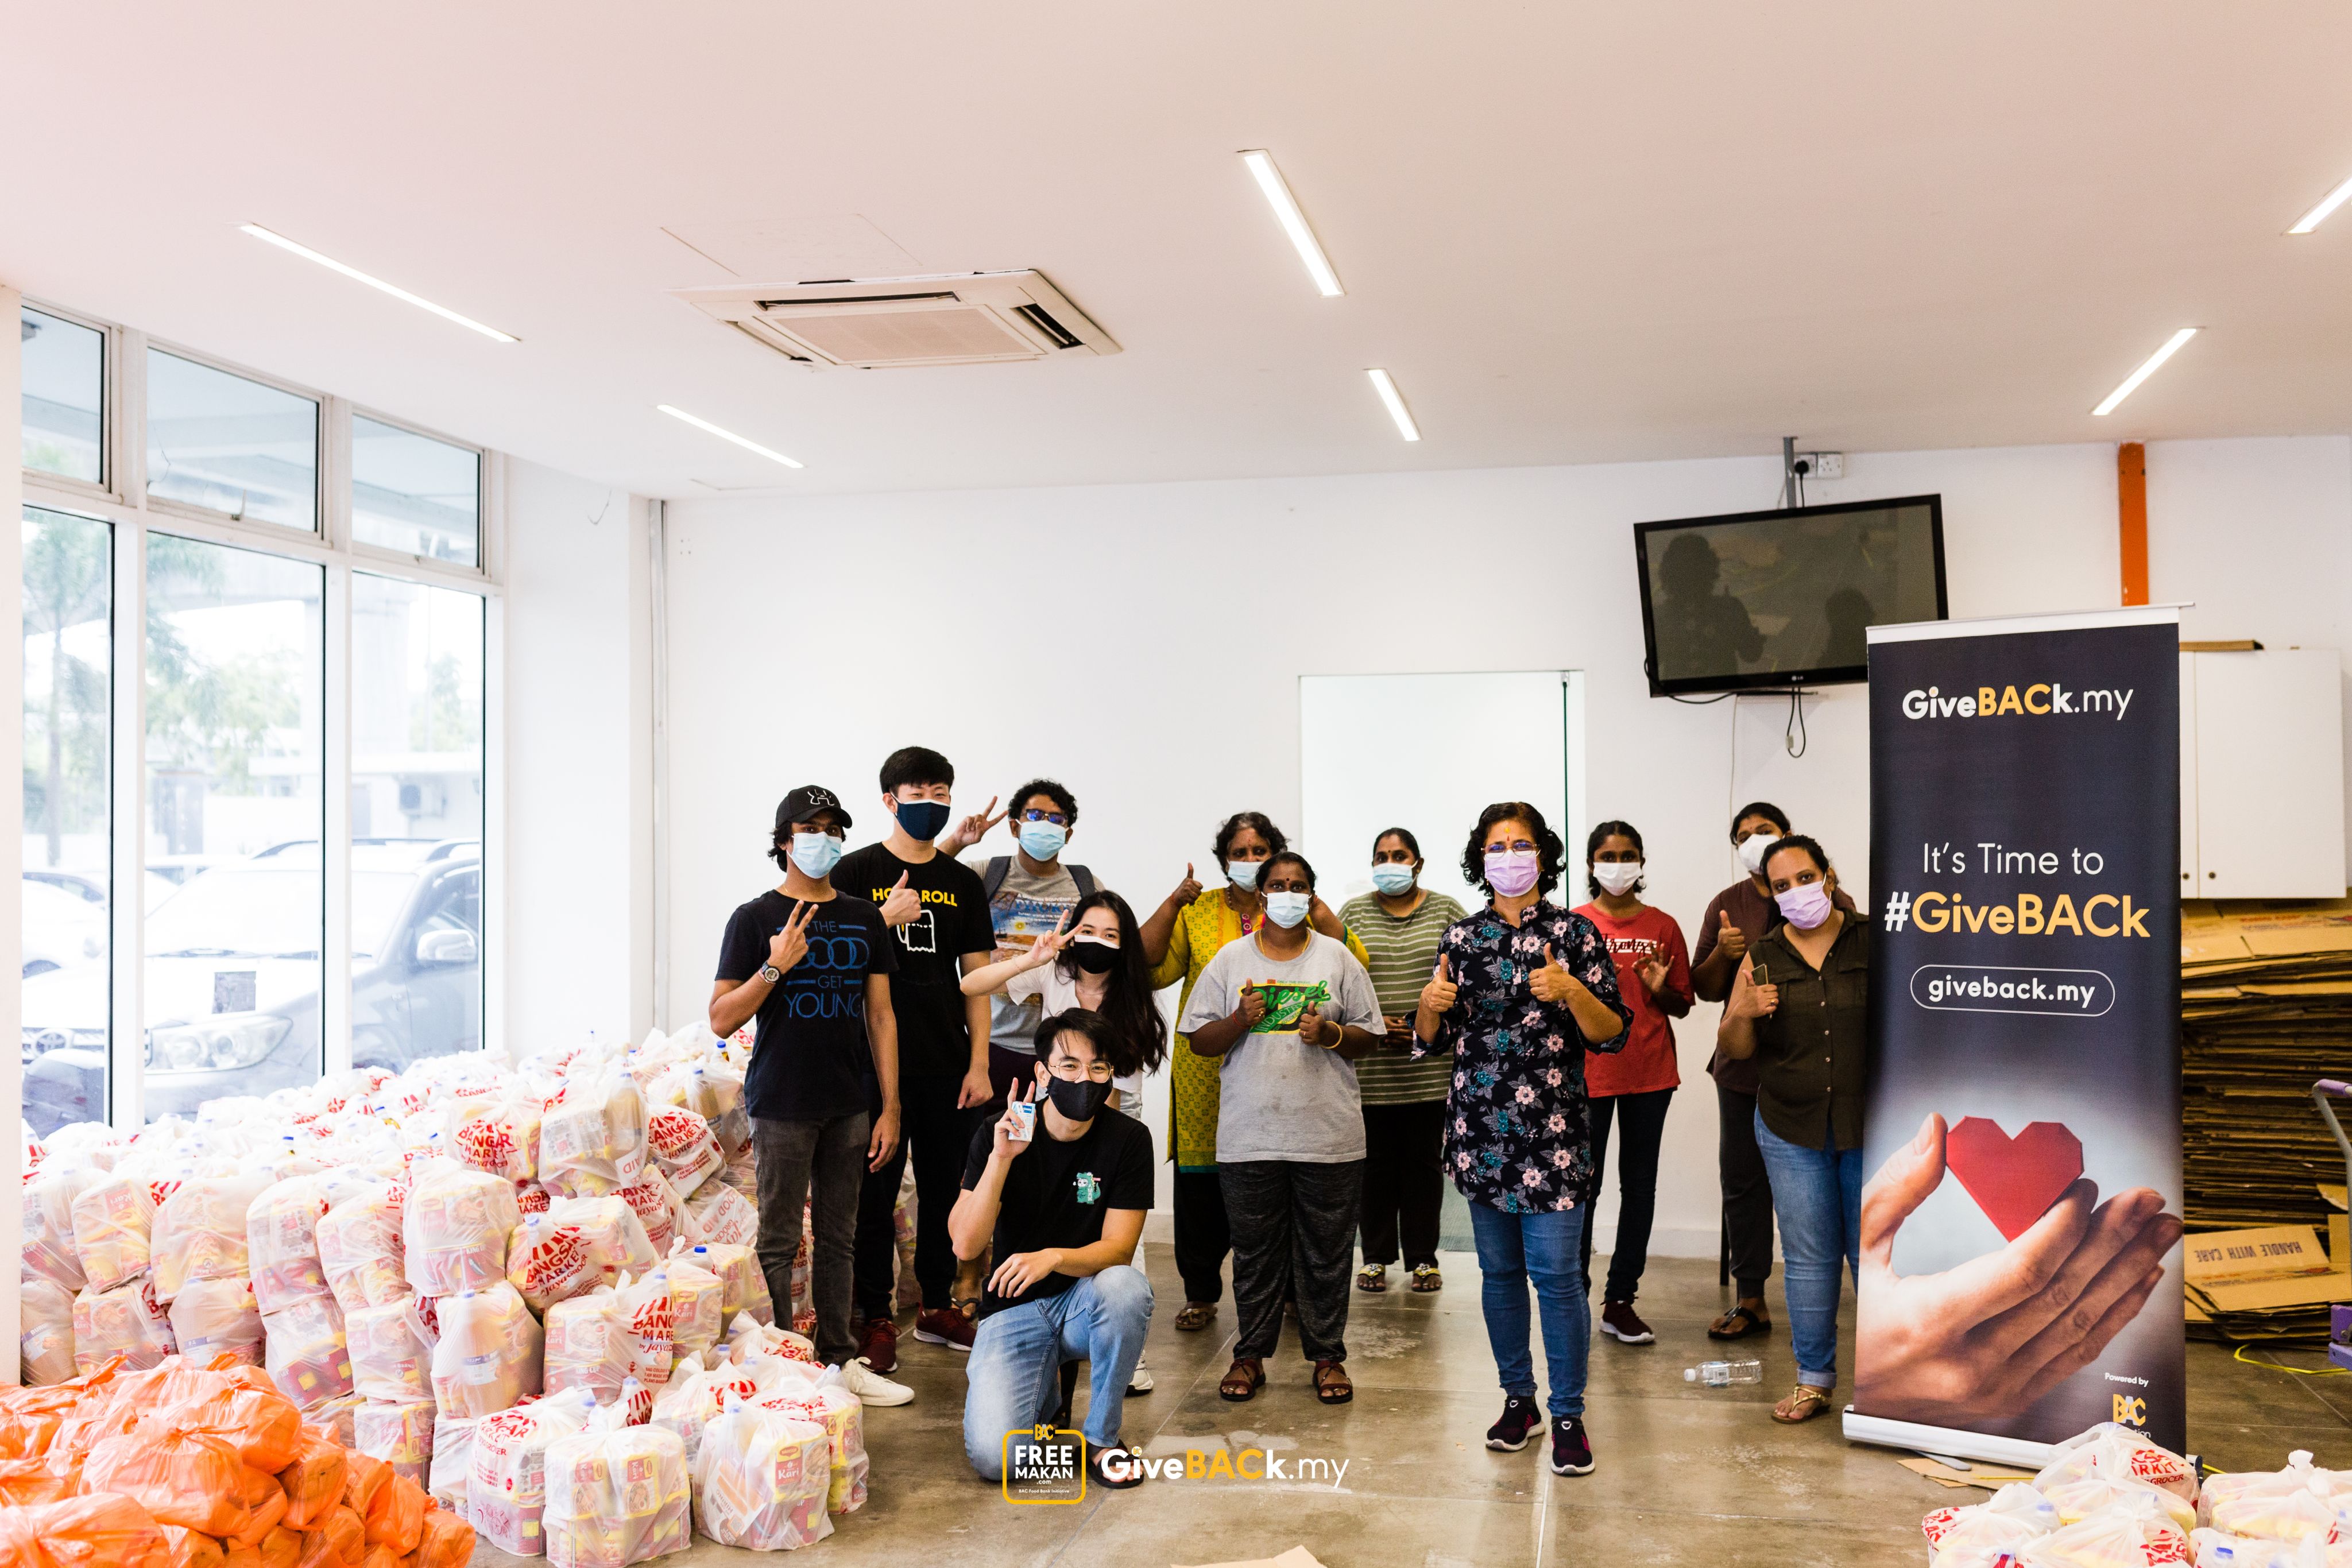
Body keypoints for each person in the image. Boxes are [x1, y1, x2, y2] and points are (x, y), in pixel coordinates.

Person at [1416, 801, 1630, 1477]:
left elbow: (1610, 1032)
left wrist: (1569, 990)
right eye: (1496, 844)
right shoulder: (1459, 937)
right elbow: (1429, 1042)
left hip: (1555, 1138)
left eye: (1521, 843)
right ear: (1480, 858)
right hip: (1481, 1135)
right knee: (1500, 1276)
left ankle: (1568, 1411)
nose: (1509, 855)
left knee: (1557, 1280)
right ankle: (1520, 1401)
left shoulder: (1577, 933)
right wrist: (1428, 1006)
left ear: (1543, 853)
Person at [708, 785, 912, 1407]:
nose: (824, 837)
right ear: (784, 840)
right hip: (782, 1100)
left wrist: (891, 1106)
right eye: (811, 826)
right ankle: (780, 1364)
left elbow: (881, 1015)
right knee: (777, 1237)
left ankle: (838, 1361)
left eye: (833, 827)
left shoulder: (861, 916)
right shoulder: (753, 918)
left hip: (850, 1100)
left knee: (838, 1234)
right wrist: (775, 967)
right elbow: (720, 1018)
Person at [1143, 812, 1369, 1334]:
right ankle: (1201, 1291)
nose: (1250, 860)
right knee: (1203, 1188)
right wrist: (1173, 901)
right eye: (1239, 852)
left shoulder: (1302, 913)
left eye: (1260, 849)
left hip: (1298, 1077)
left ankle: (1293, 1294)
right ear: (1224, 860)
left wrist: (1317, 907)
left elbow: (1356, 964)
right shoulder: (1198, 912)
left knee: (1290, 1183)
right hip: (1210, 1071)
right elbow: (1151, 966)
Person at [1177, 850, 1383, 1407]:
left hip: (1329, 1136)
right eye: (1277, 884)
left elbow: (1372, 1033)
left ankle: (1327, 1356)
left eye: (1298, 885)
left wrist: (1333, 1034)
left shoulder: (1339, 959)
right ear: (1262, 895)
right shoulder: (1228, 959)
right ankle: (1250, 1354)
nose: (1286, 892)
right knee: (1255, 1252)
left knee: (1326, 1253)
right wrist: (1240, 1020)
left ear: (1311, 895)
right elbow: (1199, 1040)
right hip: (1250, 1135)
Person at [961, 888, 1170, 1393]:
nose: (1098, 941)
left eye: (1112, 934)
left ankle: (1125, 1351)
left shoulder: (1135, 995)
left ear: (1127, 945)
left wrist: (1098, 1133)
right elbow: (972, 982)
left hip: (1113, 1111)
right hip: (1057, 1108)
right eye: (1089, 929)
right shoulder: (1054, 971)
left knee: (1120, 1243)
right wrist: (1028, 958)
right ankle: (1042, 1333)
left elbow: (1113, 1088)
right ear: (1073, 930)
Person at [834, 746, 999, 1369]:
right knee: (874, 1193)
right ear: (888, 799)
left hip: (946, 1062)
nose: (930, 801)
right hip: (870, 1066)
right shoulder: (853, 872)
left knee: (943, 1189)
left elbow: (977, 979)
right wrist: (881, 918)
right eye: (916, 790)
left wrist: (979, 1062)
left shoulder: (962, 883)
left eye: (940, 790)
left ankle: (936, 1305)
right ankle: (876, 1315)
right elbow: (829, 952)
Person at [952, 1010, 1156, 1491]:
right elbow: (965, 1242)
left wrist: (1055, 1257)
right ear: (1043, 1073)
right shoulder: (996, 1133)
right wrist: (1002, 1159)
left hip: (1085, 1302)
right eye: (1069, 1066)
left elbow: (1120, 1250)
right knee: (996, 1458)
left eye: (1098, 1067)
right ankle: (1046, 1403)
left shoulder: (1129, 1139)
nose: (1084, 1078)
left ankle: (1102, 1438)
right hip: (1013, 1308)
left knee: (1127, 1288)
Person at [1715, 833, 1868, 1424]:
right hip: (1788, 1124)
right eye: (1781, 886)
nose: (1796, 892)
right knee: (1808, 1258)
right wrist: (1743, 1013)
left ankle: (1886, 1384)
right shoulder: (1762, 954)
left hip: (1867, 1123)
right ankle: (1814, 1379)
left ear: (1828, 876)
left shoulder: (1872, 939)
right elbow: (1733, 1045)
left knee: (1871, 1255)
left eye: (1804, 878)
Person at [1688, 802, 1853, 1343]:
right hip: (1743, 1072)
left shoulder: (1845, 912)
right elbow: (1706, 989)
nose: (1754, 840)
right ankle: (1750, 1297)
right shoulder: (1727, 905)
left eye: (1765, 831)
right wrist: (1727, 957)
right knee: (1744, 1183)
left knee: (1833, 1206)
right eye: (1744, 835)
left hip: (1821, 1076)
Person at [1571, 820, 1691, 1346]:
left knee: (1639, 1188)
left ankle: (1620, 1301)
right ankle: (1573, 1294)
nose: (1617, 863)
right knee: (1584, 1189)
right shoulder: (1573, 924)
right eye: (1607, 854)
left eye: (1627, 854)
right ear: (1591, 862)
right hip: (1586, 1075)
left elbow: (1683, 1005)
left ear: (1641, 862)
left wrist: (1661, 990)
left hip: (1649, 1073)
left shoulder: (1664, 925)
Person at [1337, 828, 1465, 1295]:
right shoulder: (1352, 912)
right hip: (1370, 1069)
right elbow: (1340, 979)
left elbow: (1465, 981)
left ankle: (1424, 1258)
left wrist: (1417, 1024)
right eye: (1381, 856)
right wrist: (1375, 1026)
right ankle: (1373, 1258)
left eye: (1400, 855)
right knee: (1373, 1167)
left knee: (1423, 1166)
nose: (1390, 862)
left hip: (1429, 1068)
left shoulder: (1448, 910)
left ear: (1419, 862)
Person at [936, 777, 1101, 1086]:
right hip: (994, 1044)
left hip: (1066, 1049)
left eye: (1056, 819)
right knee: (996, 1133)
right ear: (1015, 827)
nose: (1045, 824)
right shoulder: (985, 874)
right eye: (1035, 815)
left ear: (1068, 834)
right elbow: (926, 876)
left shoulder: (1087, 885)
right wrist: (958, 841)